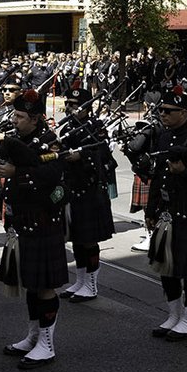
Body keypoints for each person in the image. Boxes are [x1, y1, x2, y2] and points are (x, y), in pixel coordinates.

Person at [0, 89, 67, 368]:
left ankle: (47, 345)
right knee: (31, 284)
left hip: (42, 221)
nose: (15, 120)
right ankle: (33, 335)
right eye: (14, 114)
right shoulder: (18, 139)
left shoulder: (49, 142)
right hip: (22, 220)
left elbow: (52, 174)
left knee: (45, 286)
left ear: (35, 118)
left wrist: (18, 173)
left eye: (20, 116)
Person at [139, 86, 187, 341]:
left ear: (184, 112)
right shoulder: (164, 136)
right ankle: (174, 314)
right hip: (166, 211)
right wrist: (151, 210)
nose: (162, 114)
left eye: (168, 111)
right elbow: (158, 176)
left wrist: (184, 172)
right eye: (161, 109)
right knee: (167, 267)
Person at [56, 87, 116, 302]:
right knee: (77, 239)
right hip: (72, 188)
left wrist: (81, 155)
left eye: (75, 104)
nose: (71, 108)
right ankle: (80, 281)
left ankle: (91, 285)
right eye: (69, 104)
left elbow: (103, 153)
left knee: (89, 240)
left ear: (87, 107)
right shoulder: (67, 127)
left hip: (90, 189)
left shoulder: (96, 127)